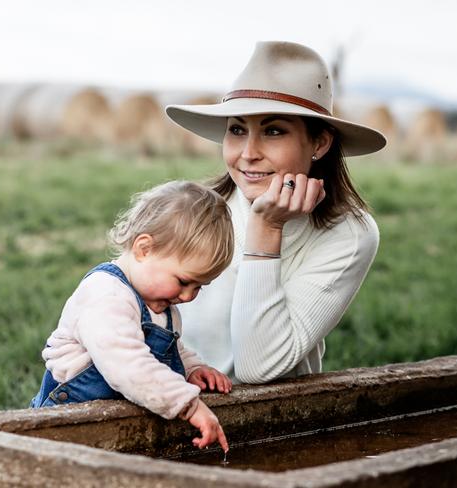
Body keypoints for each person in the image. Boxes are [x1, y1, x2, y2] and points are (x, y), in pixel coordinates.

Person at [165, 41, 386, 384]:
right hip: (168, 406)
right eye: (237, 129)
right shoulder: (190, 209)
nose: (248, 153)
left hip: (272, 421)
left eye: (273, 131)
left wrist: (267, 228)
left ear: (320, 143)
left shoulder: (349, 233)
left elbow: (259, 367)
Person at [31, 180, 234, 452]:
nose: (187, 296)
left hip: (112, 420)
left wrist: (192, 368)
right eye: (184, 281)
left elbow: (166, 350)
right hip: (67, 423)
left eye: (199, 287)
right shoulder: (107, 295)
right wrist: (188, 404)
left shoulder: (160, 303)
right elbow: (128, 365)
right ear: (144, 249)